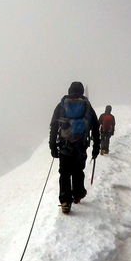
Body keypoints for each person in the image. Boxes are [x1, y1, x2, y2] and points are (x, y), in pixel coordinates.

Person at [49, 81, 100, 214]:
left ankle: (65, 201)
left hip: (65, 145)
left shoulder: (61, 105)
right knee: (78, 171)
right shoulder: (86, 105)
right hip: (81, 146)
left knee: (64, 173)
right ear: (82, 91)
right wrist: (96, 147)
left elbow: (54, 126)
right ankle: (77, 194)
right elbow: (95, 126)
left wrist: (53, 145)